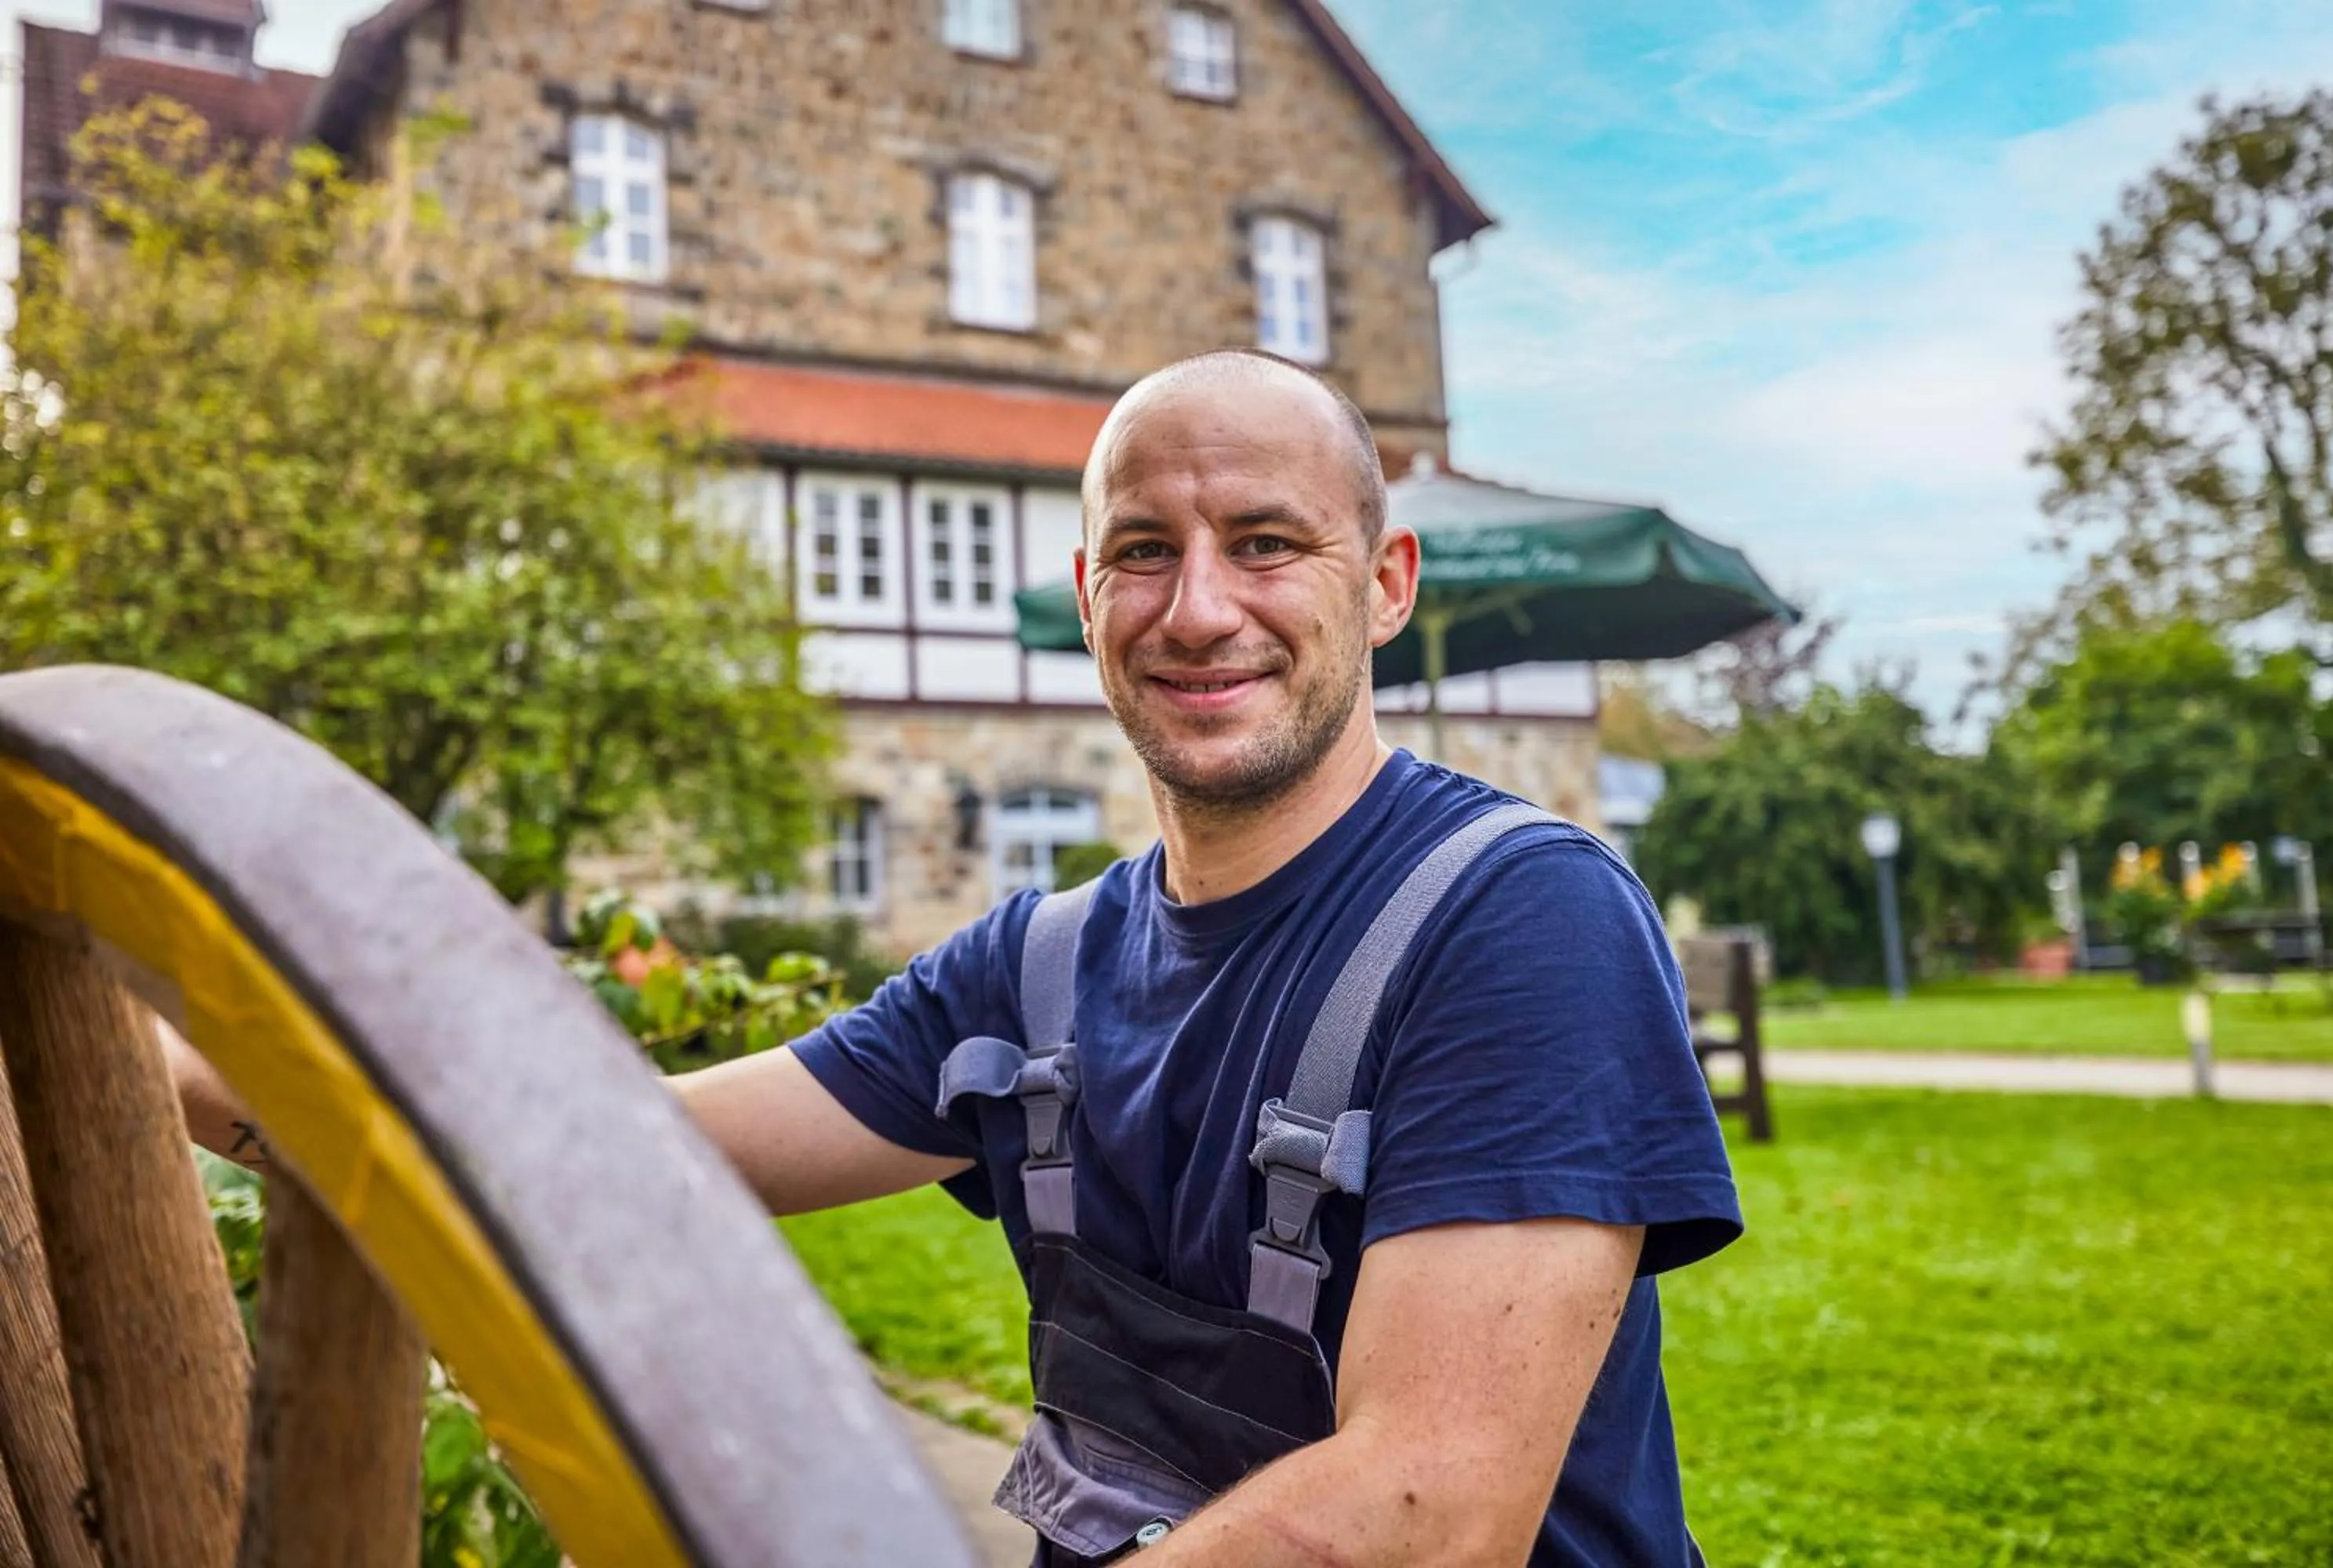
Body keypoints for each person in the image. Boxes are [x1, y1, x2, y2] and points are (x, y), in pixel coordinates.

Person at [179, 349, 1742, 1566]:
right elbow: (600, 1148)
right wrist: (200, 1056)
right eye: (1143, 552)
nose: (1199, 609)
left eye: (1267, 544)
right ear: (1089, 596)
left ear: (1386, 583)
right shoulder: (1037, 971)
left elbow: (1427, 1511)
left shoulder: (1519, 919)